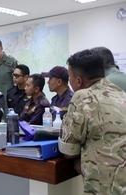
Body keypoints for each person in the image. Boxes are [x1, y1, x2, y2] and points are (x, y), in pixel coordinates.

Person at [59, 49, 126, 195]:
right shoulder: (119, 92)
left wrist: (79, 162)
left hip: (107, 185)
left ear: (78, 80)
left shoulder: (82, 96)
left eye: (69, 78)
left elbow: (68, 151)